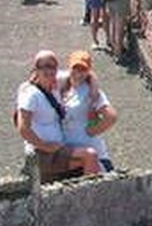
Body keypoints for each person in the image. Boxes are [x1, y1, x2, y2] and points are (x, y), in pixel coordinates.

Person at [15, 50, 102, 182]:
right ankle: (93, 196)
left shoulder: (55, 84)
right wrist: (45, 146)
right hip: (43, 153)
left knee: (89, 159)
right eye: (44, 66)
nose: (49, 70)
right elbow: (23, 128)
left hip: (57, 149)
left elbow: (85, 72)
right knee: (90, 155)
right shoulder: (30, 94)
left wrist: (94, 88)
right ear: (36, 69)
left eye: (52, 66)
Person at [60, 50, 118, 173]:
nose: (78, 73)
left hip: (92, 154)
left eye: (83, 70)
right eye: (75, 68)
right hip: (72, 154)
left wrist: (91, 130)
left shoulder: (91, 92)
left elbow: (111, 117)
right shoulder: (64, 83)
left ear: (88, 71)